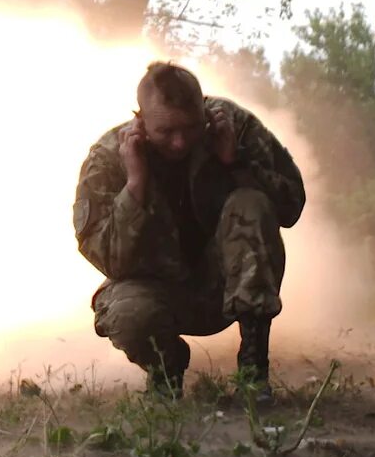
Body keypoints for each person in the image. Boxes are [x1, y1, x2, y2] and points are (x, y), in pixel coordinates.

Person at [73, 61, 305, 400]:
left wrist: (236, 162)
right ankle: (165, 372)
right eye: (166, 132)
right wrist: (135, 185)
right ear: (140, 120)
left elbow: (290, 206)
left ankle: (254, 369)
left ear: (205, 111)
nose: (180, 142)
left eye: (191, 128)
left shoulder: (233, 126)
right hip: (157, 291)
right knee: (127, 314)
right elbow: (111, 261)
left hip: (224, 285)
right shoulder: (110, 157)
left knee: (250, 204)